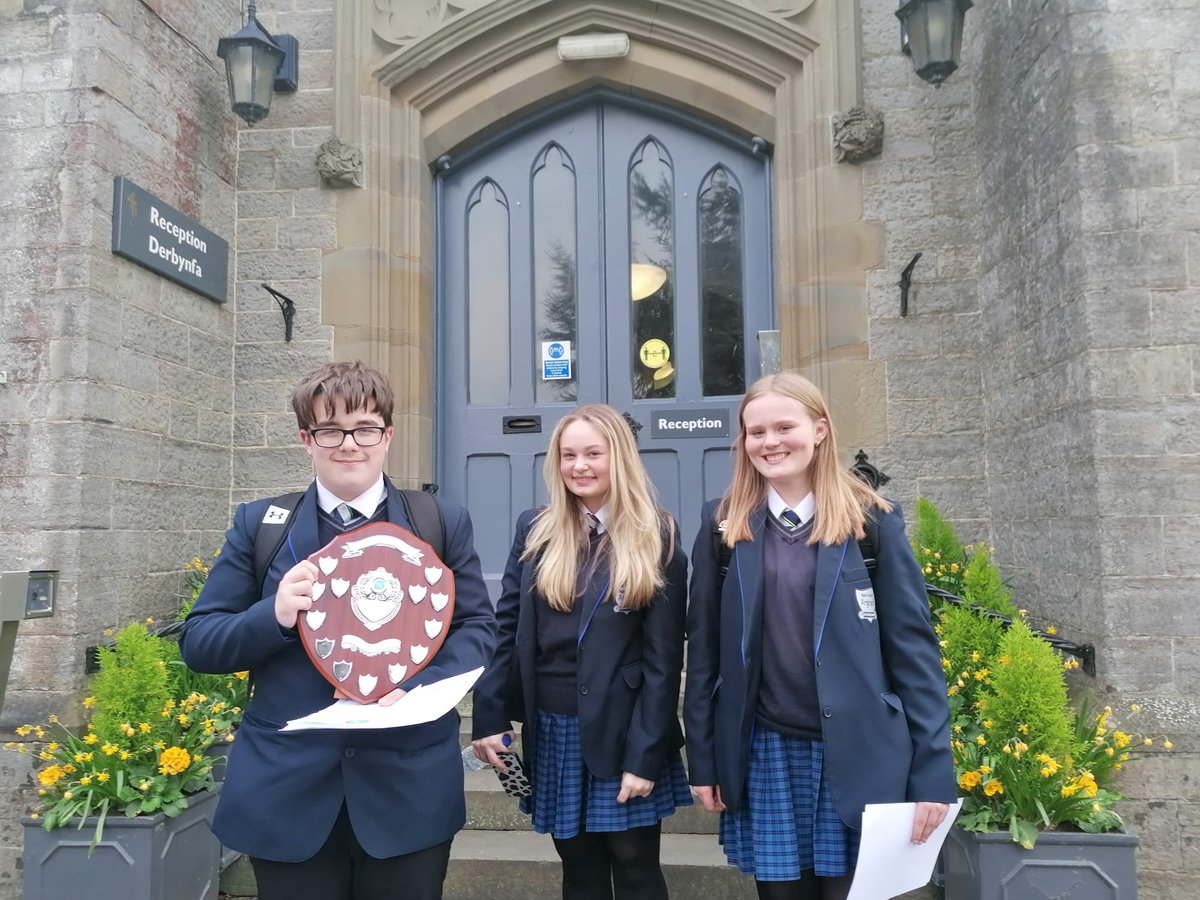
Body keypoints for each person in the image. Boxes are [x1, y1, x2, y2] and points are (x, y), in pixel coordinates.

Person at [179, 361, 495, 900]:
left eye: (365, 428)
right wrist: (272, 614)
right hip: (288, 796)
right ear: (307, 438)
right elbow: (200, 641)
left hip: (406, 791)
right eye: (330, 430)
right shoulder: (260, 526)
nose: (349, 444)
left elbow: (478, 630)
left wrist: (414, 684)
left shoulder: (438, 521)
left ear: (387, 435)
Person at [683, 372, 955, 900]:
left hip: (857, 754)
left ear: (821, 429)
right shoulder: (722, 527)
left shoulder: (872, 523)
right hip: (765, 752)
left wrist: (932, 775)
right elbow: (706, 655)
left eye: (785, 426)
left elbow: (915, 655)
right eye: (755, 432)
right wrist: (705, 758)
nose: (770, 442)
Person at [471, 404, 691, 900]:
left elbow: (663, 661)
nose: (579, 466)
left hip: (624, 728)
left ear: (621, 457)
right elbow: (506, 629)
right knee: (578, 865)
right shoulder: (536, 528)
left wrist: (645, 753)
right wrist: (489, 716)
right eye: (568, 455)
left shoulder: (659, 535)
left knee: (633, 862)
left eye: (594, 453)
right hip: (554, 727)